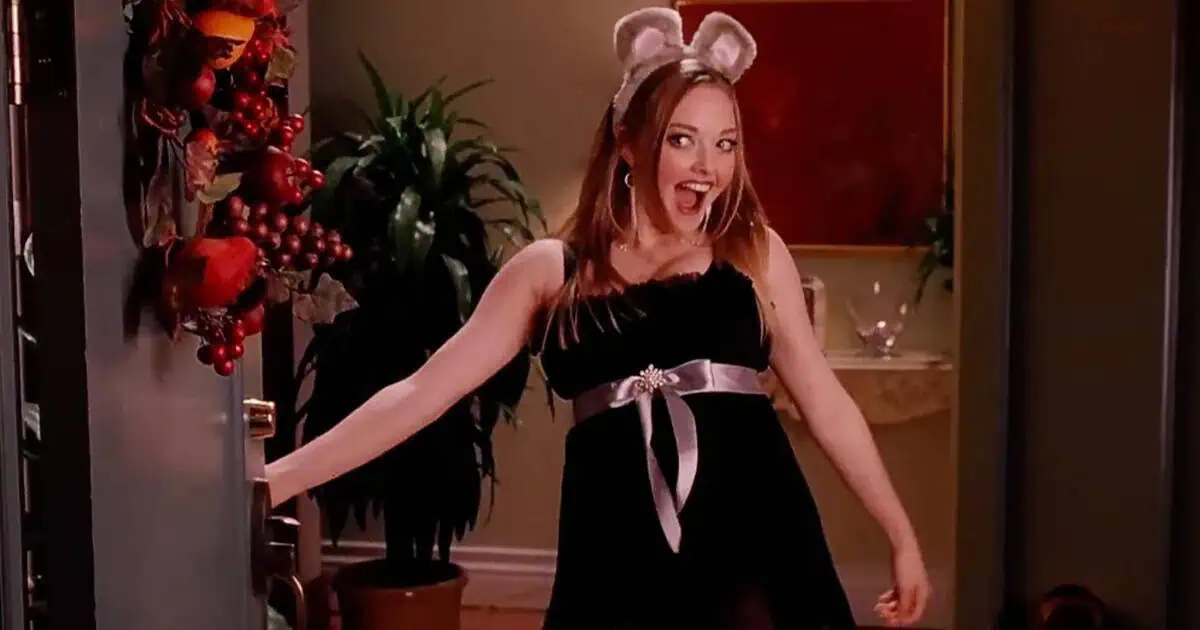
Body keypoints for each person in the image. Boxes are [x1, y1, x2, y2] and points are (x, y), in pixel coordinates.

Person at [266, 7, 931, 629]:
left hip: (761, 542)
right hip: (617, 555)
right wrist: (277, 481)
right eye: (683, 140)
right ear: (628, 143)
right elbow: (420, 394)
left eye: (726, 144)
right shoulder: (552, 272)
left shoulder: (754, 253)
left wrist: (901, 535)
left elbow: (825, 402)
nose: (709, 168)